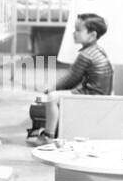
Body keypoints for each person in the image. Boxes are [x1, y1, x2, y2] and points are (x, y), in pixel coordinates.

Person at [35, 13, 111, 143]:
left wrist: (51, 88)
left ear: (92, 35)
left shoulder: (86, 55)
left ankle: (48, 135)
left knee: (52, 98)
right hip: (101, 93)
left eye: (78, 30)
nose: (74, 33)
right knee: (58, 94)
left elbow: (71, 79)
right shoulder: (98, 50)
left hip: (92, 95)